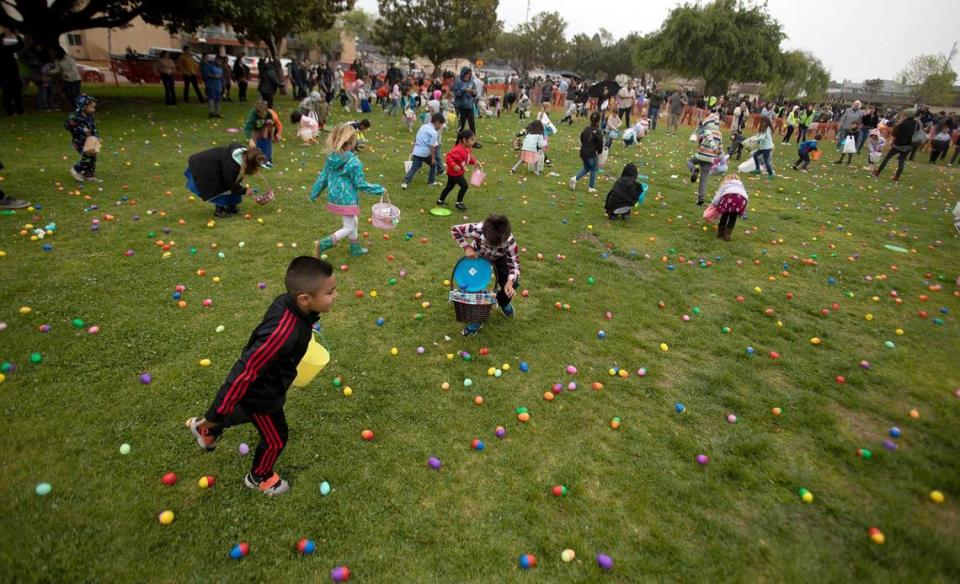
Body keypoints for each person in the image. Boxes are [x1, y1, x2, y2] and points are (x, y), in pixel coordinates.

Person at [185, 256, 337, 497]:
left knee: (242, 412)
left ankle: (205, 429)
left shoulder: (289, 306)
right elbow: (245, 371)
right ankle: (259, 476)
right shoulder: (283, 333)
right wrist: (216, 413)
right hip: (263, 394)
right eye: (330, 292)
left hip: (269, 380)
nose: (335, 296)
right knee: (276, 438)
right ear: (305, 299)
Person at [311, 123, 385, 257]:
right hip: (347, 198)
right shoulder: (353, 162)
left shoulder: (331, 158)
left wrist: (314, 193)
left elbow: (323, 177)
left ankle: (355, 248)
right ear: (351, 142)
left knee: (353, 221)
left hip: (335, 196)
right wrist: (379, 189)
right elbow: (360, 184)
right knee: (349, 227)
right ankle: (323, 244)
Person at [451, 214, 521, 337]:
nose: (493, 247)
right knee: (474, 286)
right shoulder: (477, 228)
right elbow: (455, 229)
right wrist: (466, 247)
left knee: (512, 283)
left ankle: (503, 302)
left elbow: (514, 265)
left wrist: (509, 283)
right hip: (478, 257)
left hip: (500, 260)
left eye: (497, 245)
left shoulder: (510, 241)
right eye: (489, 244)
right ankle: (476, 320)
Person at [185, 143, 265, 217]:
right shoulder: (232, 165)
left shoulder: (243, 155)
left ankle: (231, 205)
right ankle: (220, 209)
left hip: (217, 165)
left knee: (234, 183)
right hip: (206, 167)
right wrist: (244, 190)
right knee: (220, 186)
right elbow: (230, 183)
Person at [436, 130, 480, 210]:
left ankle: (440, 200)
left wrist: (474, 162)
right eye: (472, 140)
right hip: (454, 173)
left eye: (474, 140)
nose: (473, 142)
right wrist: (454, 165)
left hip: (457, 172)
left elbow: (468, 158)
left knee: (449, 187)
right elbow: (448, 157)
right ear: (464, 140)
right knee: (464, 186)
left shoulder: (468, 148)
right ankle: (459, 203)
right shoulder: (458, 149)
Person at [688, 112, 724, 205]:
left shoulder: (707, 131)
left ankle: (693, 170)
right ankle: (701, 198)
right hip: (710, 159)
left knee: (690, 161)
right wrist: (720, 156)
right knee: (704, 179)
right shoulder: (720, 134)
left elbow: (710, 139)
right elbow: (720, 147)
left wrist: (713, 147)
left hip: (701, 155)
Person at [874, 109, 920, 182]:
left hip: (898, 144)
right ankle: (896, 177)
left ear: (907, 115)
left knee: (887, 158)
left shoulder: (902, 123)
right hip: (908, 145)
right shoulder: (916, 124)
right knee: (901, 161)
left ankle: (878, 172)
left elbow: (894, 134)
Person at [401, 113, 444, 189]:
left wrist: (413, 147)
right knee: (433, 165)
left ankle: (405, 182)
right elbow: (432, 146)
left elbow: (416, 137)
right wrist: (433, 158)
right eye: (441, 125)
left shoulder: (424, 126)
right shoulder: (434, 133)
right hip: (425, 153)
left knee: (414, 167)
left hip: (417, 151)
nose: (441, 127)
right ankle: (431, 182)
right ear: (437, 122)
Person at [64, 94, 100, 182]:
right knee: (87, 157)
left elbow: (93, 127)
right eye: (91, 107)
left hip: (90, 140)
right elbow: (67, 125)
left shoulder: (89, 116)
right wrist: (81, 129)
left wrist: (96, 136)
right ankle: (76, 169)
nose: (93, 110)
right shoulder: (75, 116)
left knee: (93, 156)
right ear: (83, 106)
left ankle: (88, 175)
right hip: (79, 141)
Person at [569, 112, 604, 193]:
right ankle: (591, 187)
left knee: (587, 168)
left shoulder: (586, 129)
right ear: (598, 121)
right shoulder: (598, 131)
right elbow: (600, 143)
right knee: (594, 169)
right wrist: (600, 152)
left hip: (583, 153)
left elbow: (581, 138)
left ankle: (575, 179)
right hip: (591, 154)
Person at [244, 100, 282, 168]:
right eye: (261, 114)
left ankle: (267, 160)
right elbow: (248, 127)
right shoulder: (253, 115)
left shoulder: (269, 114)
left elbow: (275, 124)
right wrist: (250, 139)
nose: (263, 115)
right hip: (255, 130)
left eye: (264, 113)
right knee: (256, 146)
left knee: (267, 144)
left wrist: (275, 133)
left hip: (265, 129)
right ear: (257, 112)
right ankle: (254, 161)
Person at [710, 174, 749, 241]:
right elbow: (745, 196)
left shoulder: (726, 184)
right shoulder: (741, 186)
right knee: (733, 217)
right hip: (741, 200)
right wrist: (743, 207)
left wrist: (714, 204)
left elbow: (718, 196)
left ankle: (720, 232)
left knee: (725, 214)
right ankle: (727, 235)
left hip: (729, 197)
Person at [454, 67, 481, 146]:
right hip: (461, 106)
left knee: (472, 124)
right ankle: (458, 141)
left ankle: (473, 141)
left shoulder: (472, 82)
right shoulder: (458, 82)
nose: (467, 76)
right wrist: (464, 90)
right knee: (461, 125)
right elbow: (456, 93)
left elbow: (475, 94)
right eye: (466, 74)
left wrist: (473, 92)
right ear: (463, 74)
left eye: (469, 74)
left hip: (469, 106)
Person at [0, 32, 24, 115]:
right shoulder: (5, 48)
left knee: (11, 92)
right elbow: (20, 45)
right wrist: (18, 36)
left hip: (8, 73)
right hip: (8, 73)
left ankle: (13, 110)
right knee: (11, 92)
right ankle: (14, 109)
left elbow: (20, 46)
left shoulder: (7, 48)